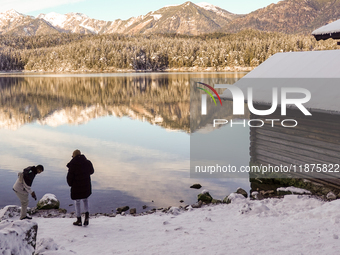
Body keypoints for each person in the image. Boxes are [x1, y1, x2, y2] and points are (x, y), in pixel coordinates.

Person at [67, 149, 94, 226]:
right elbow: (91, 171)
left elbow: (69, 177)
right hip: (86, 185)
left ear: (74, 155)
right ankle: (87, 217)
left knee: (77, 202)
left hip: (76, 186)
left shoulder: (72, 164)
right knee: (85, 200)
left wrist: (70, 184)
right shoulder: (87, 162)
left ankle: (79, 219)